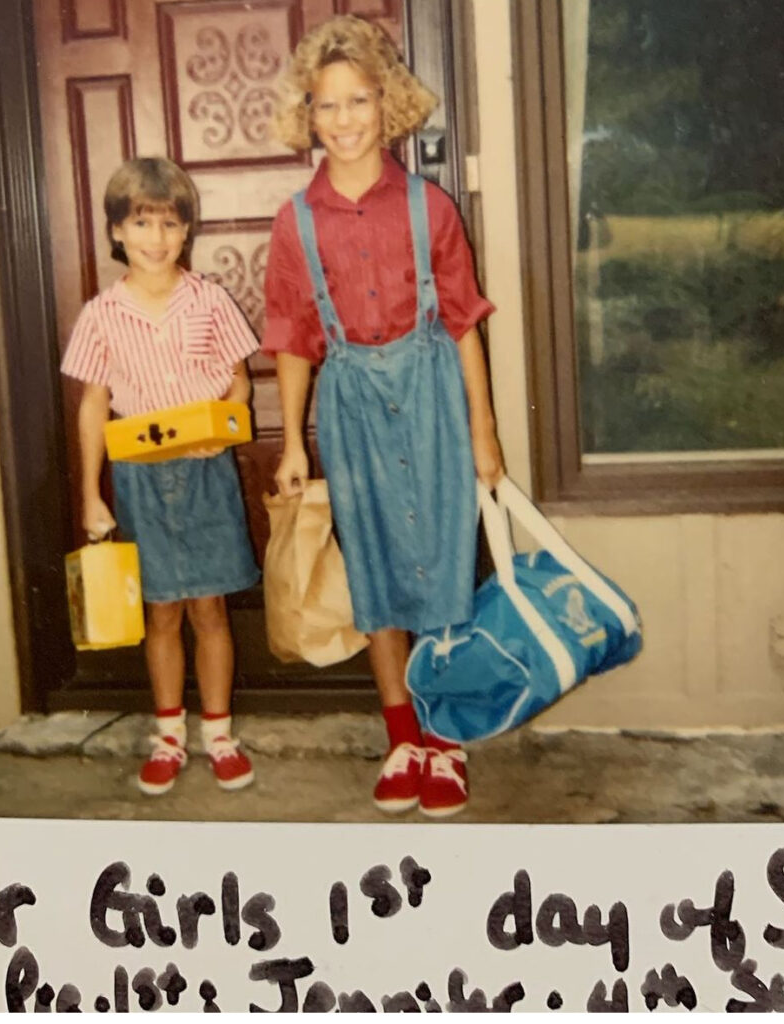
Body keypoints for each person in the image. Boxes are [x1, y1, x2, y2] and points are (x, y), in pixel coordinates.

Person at [263, 16, 504, 817]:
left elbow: (465, 322)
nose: (343, 119)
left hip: (432, 393)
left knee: (439, 564)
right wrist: (293, 441)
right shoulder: (296, 222)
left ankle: (445, 740)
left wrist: (485, 432)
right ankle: (400, 732)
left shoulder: (429, 209)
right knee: (375, 570)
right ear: (308, 114)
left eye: (357, 99)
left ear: (387, 102)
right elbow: (295, 339)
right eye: (326, 105)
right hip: (351, 406)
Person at [61, 157, 260, 796]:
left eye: (169, 225)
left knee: (210, 608)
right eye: (141, 224)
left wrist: (223, 422)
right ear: (116, 231)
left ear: (186, 232)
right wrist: (92, 494)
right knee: (162, 611)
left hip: (206, 471)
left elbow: (238, 379)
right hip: (140, 476)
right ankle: (169, 734)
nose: (156, 238)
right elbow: (93, 404)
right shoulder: (101, 314)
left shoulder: (209, 300)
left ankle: (219, 734)